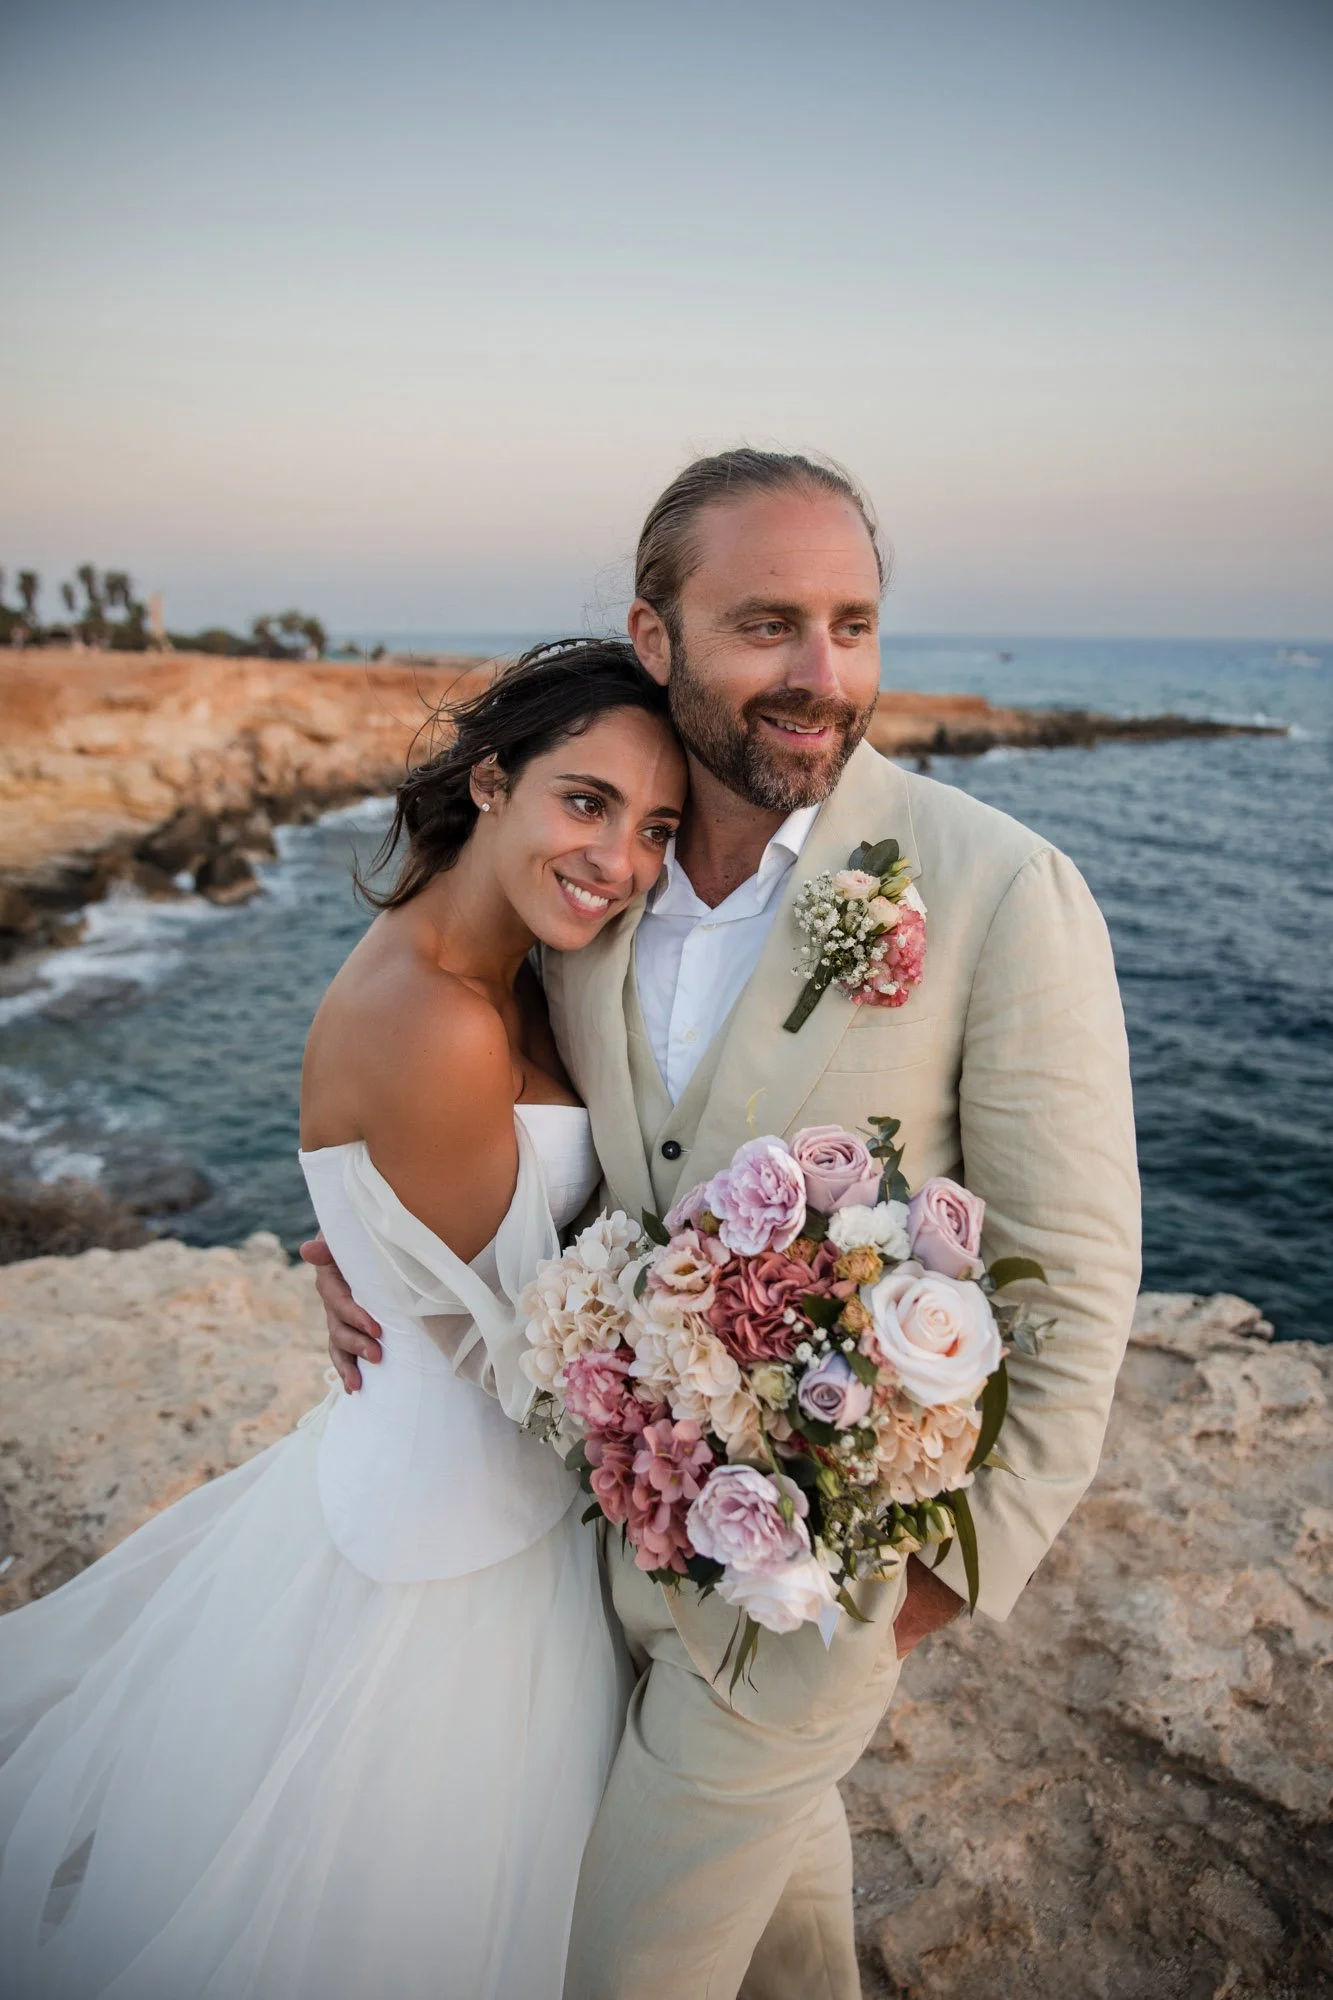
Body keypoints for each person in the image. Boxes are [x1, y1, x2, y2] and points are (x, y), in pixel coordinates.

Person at [322, 449, 1142, 1999]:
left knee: (621, 1963)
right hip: (597, 1553)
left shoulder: (993, 888)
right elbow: (503, 1139)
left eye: (854, 623)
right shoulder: (595, 890)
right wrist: (366, 1241)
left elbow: (1077, 1277)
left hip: (814, 1603)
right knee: (783, 1940)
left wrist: (925, 1591)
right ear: (658, 638)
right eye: (767, 624)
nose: (820, 675)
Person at [0, 641, 688, 1999]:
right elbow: (528, 1363)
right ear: (493, 781)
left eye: (658, 828)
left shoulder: (505, 965)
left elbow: (454, 1258)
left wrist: (371, 1255)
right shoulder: (440, 1016)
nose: (621, 861)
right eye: (587, 802)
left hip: (441, 1482)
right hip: (465, 1547)